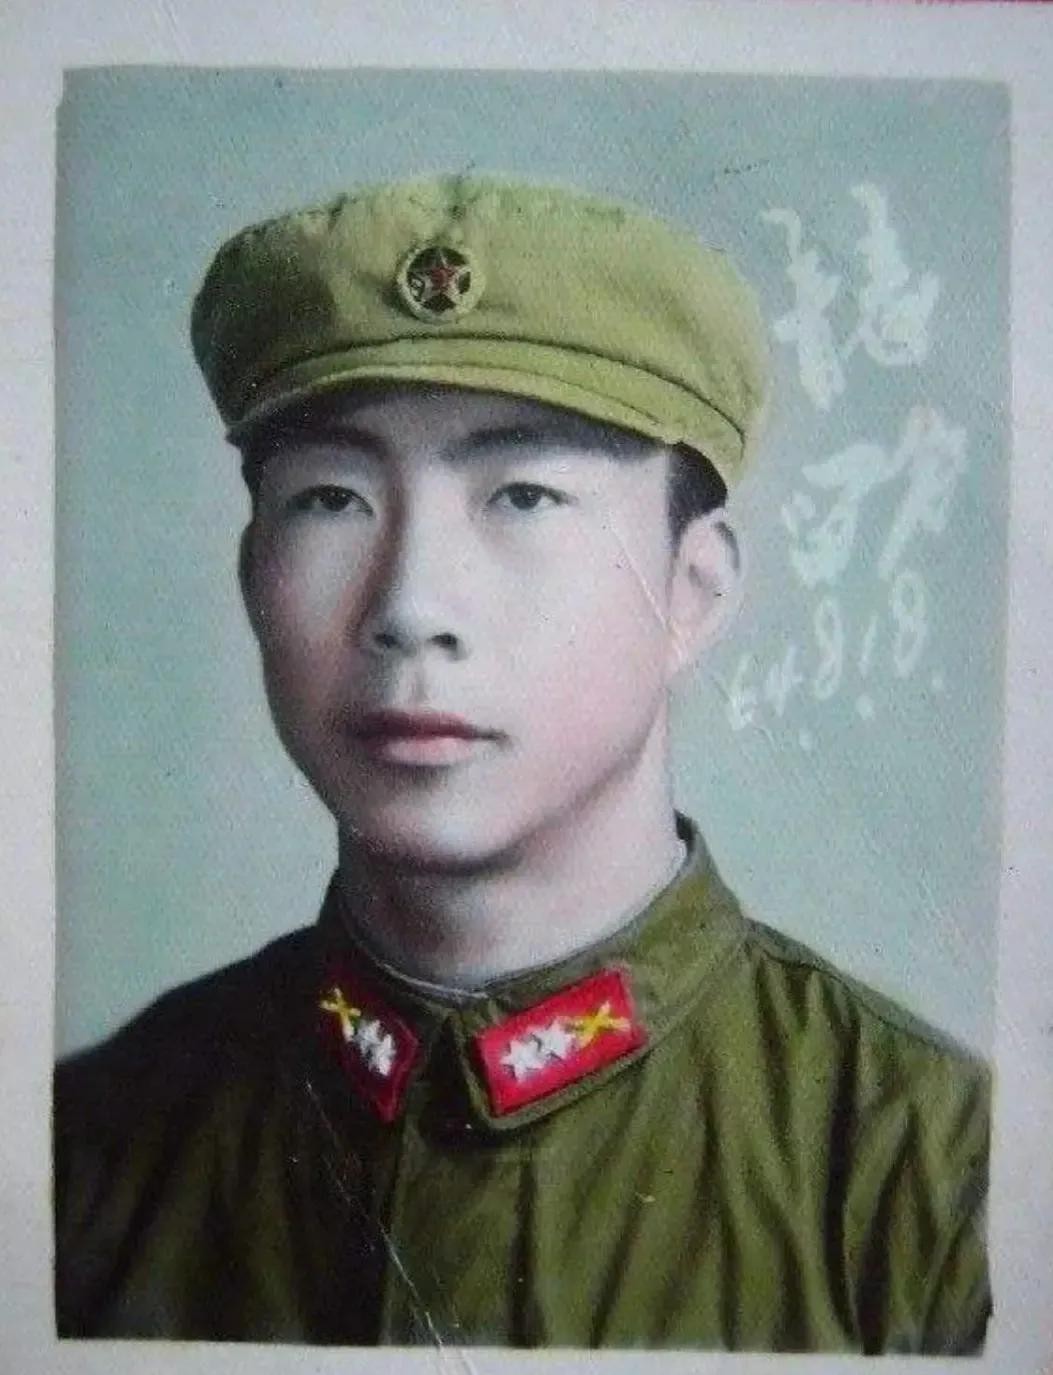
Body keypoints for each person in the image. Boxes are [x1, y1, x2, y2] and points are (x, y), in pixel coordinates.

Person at [54, 174, 991, 1351]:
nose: (411, 605)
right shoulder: (85, 1157)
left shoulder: (932, 1184)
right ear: (252, 577)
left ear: (692, 590)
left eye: (525, 495)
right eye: (333, 498)